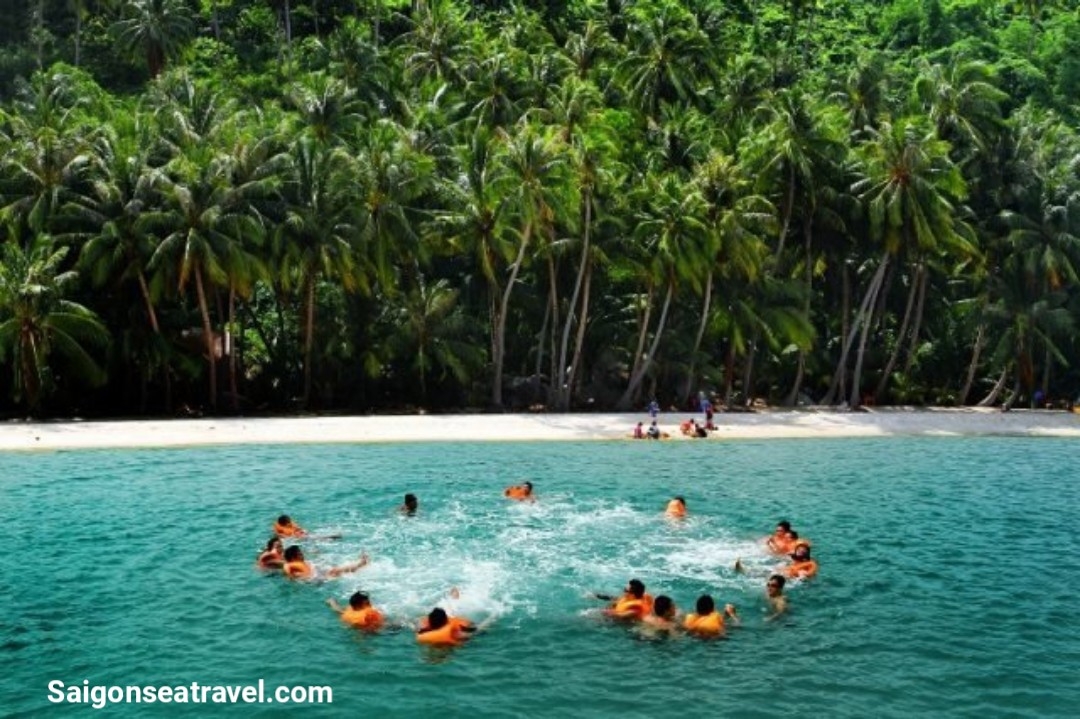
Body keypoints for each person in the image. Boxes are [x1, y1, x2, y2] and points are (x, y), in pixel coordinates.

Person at [282, 545, 370, 581]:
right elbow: (286, 569)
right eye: (300, 554)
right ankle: (360, 564)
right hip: (314, 578)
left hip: (316, 572)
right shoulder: (289, 564)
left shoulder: (301, 562)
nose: (302, 554)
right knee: (335, 571)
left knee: (336, 570)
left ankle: (359, 565)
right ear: (293, 557)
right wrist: (290, 577)